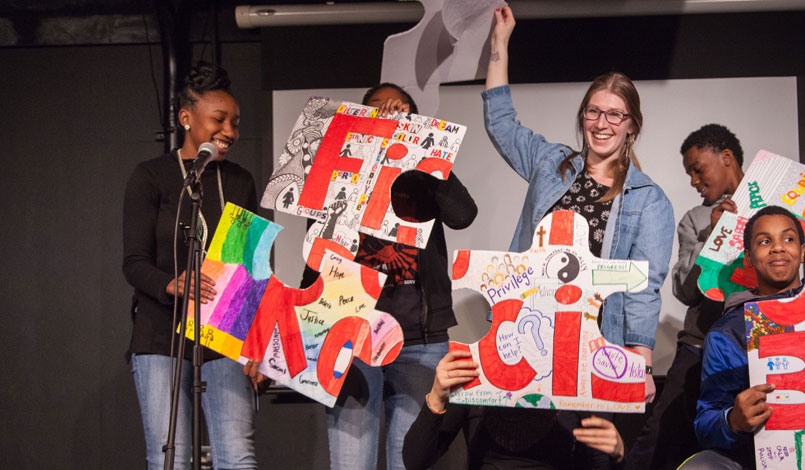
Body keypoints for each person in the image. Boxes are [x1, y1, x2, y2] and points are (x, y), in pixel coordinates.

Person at [628, 124, 805, 469]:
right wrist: (714, 233)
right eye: (764, 243)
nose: (694, 180)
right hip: (711, 340)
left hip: (790, 330)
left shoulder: (786, 206)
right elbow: (684, 290)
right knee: (663, 438)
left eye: (698, 169)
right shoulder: (696, 219)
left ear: (726, 158)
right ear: (751, 253)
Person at [482, 5, 674, 401]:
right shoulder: (550, 163)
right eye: (594, 111)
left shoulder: (648, 200)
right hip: (527, 328)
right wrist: (499, 43)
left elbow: (643, 287)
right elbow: (501, 122)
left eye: (615, 115)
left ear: (632, 125)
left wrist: (642, 362)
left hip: (596, 340)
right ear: (583, 115)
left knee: (583, 445)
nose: (602, 124)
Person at [302, 82, 479, 470]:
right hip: (351, 334)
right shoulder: (341, 172)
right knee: (352, 462)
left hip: (419, 341)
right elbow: (317, 249)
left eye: (401, 112)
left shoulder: (425, 176)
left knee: (408, 460)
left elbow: (463, 214)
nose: (391, 115)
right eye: (379, 110)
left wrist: (426, 147)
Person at [122, 62, 259, 470]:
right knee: (171, 458)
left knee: (238, 456)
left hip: (225, 335)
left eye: (235, 122)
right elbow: (133, 263)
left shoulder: (239, 181)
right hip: (160, 335)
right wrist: (171, 285)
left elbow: (250, 267)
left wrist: (255, 344)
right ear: (186, 118)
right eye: (219, 119)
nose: (230, 131)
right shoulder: (152, 177)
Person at [682, 206, 805, 469]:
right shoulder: (728, 332)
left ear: (802, 251)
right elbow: (706, 422)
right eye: (765, 241)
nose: (778, 248)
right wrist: (733, 420)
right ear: (749, 258)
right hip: (760, 456)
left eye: (788, 239)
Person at [402, 349, 626, 469]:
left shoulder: (579, 381)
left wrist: (618, 456)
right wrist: (436, 397)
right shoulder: (477, 373)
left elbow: (598, 463)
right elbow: (415, 461)